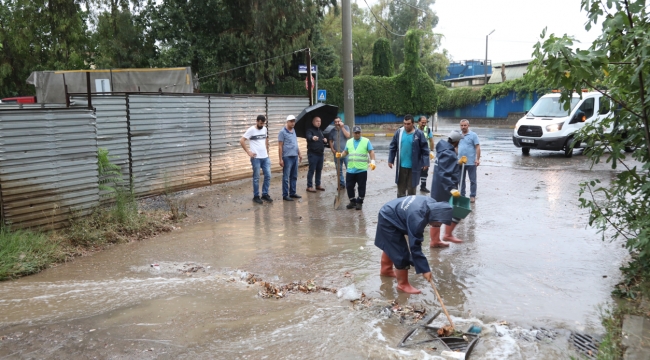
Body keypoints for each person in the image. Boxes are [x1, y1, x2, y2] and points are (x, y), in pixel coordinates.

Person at [375, 195, 453, 294]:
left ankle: (386, 270)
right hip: (388, 218)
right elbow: (415, 246)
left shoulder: (432, 203)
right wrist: (425, 270)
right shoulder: (417, 219)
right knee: (401, 253)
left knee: (391, 245)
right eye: (439, 222)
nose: (439, 225)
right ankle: (402, 285)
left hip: (392, 210)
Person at [430, 130, 465, 247]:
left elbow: (445, 167)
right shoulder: (448, 153)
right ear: (456, 142)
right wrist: (452, 188)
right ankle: (447, 235)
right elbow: (444, 173)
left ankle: (435, 241)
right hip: (444, 188)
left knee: (437, 213)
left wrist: (457, 163)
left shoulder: (443, 150)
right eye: (459, 142)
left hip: (438, 187)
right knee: (462, 207)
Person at [388, 114, 430, 198]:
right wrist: (390, 159)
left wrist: (426, 162)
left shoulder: (419, 134)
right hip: (401, 166)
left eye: (408, 124)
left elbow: (425, 149)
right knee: (401, 191)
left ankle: (410, 208)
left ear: (413, 123)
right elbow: (393, 146)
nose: (406, 126)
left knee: (411, 191)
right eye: (405, 123)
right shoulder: (399, 132)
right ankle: (400, 208)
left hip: (413, 167)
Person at [336, 126, 376, 210]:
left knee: (361, 186)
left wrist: (373, 161)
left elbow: (371, 151)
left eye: (359, 132)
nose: (357, 134)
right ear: (353, 133)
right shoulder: (349, 142)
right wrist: (340, 154)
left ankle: (359, 202)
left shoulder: (366, 141)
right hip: (351, 169)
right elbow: (346, 152)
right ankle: (352, 201)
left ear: (361, 132)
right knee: (349, 186)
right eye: (355, 133)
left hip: (361, 169)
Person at [240, 115, 272, 204]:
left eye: (263, 123)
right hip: (256, 158)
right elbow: (242, 140)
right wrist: (248, 152)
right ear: (257, 121)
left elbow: (266, 138)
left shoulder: (264, 129)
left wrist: (266, 149)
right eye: (260, 123)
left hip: (265, 157)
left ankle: (265, 194)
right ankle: (256, 196)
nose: (262, 125)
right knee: (256, 178)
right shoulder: (251, 130)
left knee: (268, 176)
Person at [278, 115, 303, 201]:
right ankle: (285, 195)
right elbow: (280, 146)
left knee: (294, 176)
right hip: (287, 157)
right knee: (286, 177)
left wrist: (299, 153)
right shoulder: (282, 132)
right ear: (287, 122)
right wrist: (280, 159)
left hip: (295, 156)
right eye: (291, 121)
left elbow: (295, 143)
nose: (293, 123)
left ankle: (292, 192)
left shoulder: (293, 130)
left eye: (294, 121)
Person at [458, 119, 481, 203]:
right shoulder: (458, 135)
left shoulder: (473, 135)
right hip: (460, 162)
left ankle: (472, 195)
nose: (463, 127)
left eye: (465, 125)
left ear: (468, 125)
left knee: (473, 180)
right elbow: (455, 147)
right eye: (462, 125)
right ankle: (462, 195)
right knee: (460, 180)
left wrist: (477, 159)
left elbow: (477, 147)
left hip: (471, 162)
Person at [305, 116, 328, 192]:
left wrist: (325, 140)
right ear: (313, 122)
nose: (319, 123)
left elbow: (322, 140)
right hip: (313, 154)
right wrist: (312, 137)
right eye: (317, 121)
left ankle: (318, 184)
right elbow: (308, 136)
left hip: (320, 153)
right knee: (312, 170)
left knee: (319, 169)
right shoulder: (309, 130)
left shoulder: (320, 131)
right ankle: (309, 186)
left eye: (320, 121)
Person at [329, 116, 350, 188]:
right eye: (335, 122)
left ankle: (350, 183)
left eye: (338, 121)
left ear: (341, 121)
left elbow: (348, 136)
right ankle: (341, 183)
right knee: (339, 170)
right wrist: (332, 149)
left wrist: (342, 127)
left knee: (349, 169)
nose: (337, 123)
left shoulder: (346, 127)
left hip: (346, 153)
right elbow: (330, 140)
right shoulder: (332, 131)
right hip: (337, 153)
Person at [417, 116, 435, 193]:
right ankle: (412, 186)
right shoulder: (414, 129)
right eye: (422, 122)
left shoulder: (428, 130)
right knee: (415, 169)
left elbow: (431, 141)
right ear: (418, 122)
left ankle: (423, 186)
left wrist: (431, 151)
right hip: (417, 153)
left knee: (425, 169)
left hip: (425, 153)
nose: (424, 124)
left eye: (425, 122)